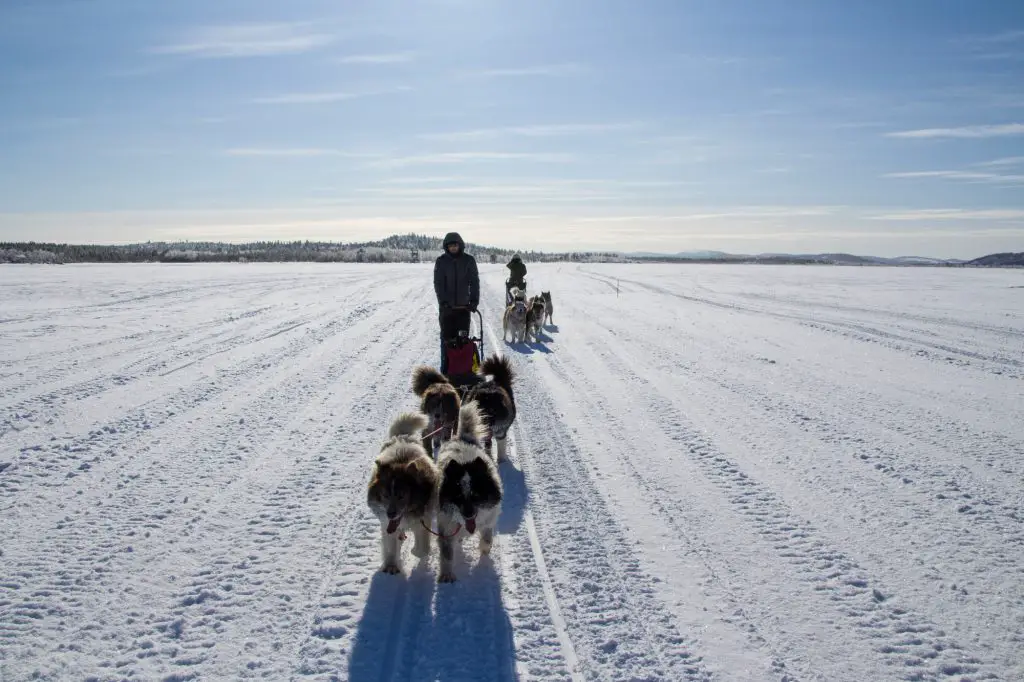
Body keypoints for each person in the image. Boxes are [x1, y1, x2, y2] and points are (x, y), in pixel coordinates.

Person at [434, 232, 479, 373]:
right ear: (446, 247)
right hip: (447, 310)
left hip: (463, 309)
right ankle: (446, 371)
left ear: (460, 245)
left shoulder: (469, 260)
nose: (453, 247)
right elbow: (438, 283)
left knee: (462, 339)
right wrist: (443, 302)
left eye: (455, 245)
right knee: (447, 341)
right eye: (450, 245)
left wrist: (473, 301)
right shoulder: (441, 261)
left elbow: (474, 282)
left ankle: (464, 371)